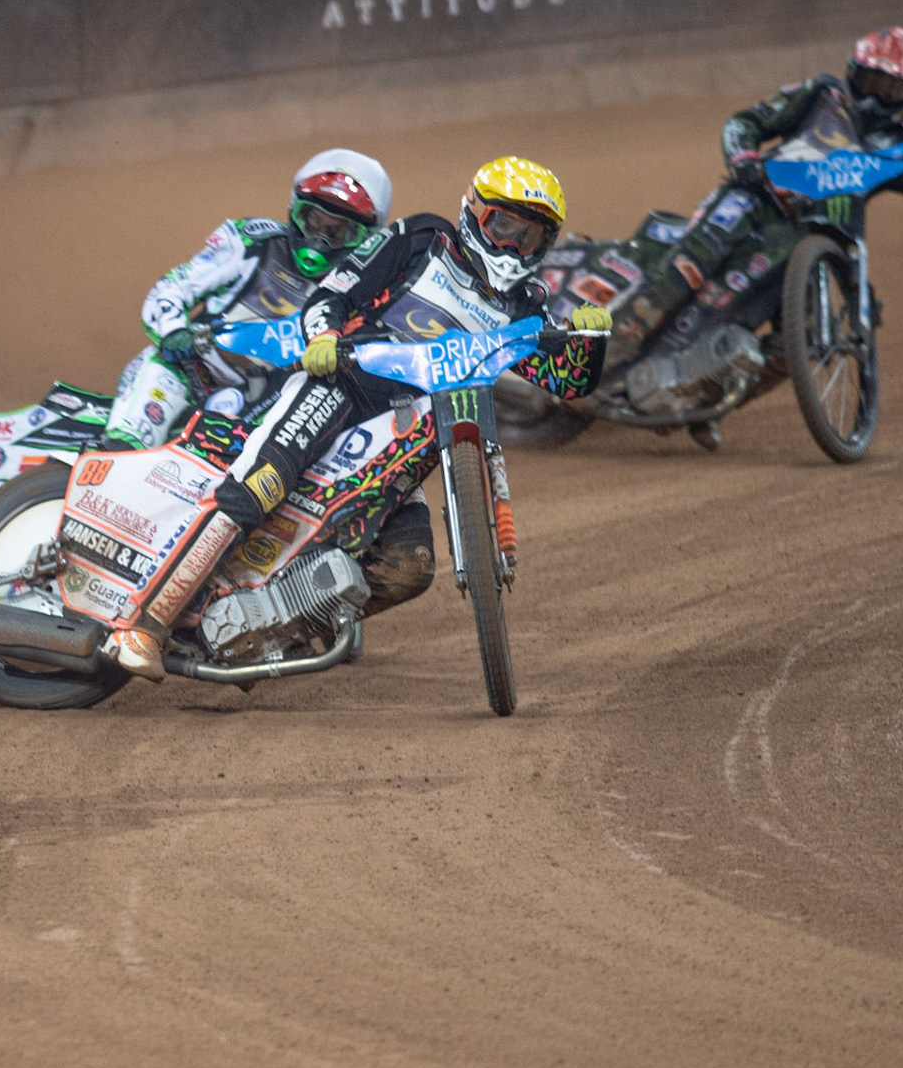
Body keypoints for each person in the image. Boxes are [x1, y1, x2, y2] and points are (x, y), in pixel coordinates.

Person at [105, 158, 611, 681]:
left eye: (529, 237)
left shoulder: (525, 305)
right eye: (503, 227)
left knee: (409, 566)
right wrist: (324, 336)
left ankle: (268, 628)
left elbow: (566, 382)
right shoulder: (423, 238)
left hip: (408, 434)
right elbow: (334, 291)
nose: (511, 246)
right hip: (343, 385)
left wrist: (589, 342)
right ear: (474, 213)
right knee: (257, 487)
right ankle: (143, 622)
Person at [617, 25, 903, 437]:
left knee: (794, 348)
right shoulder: (823, 95)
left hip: (809, 245)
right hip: (756, 201)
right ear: (852, 73)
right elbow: (745, 122)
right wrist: (744, 159)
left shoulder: (900, 144)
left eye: (891, 88)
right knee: (693, 262)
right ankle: (610, 341)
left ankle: (702, 400)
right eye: (871, 80)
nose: (877, 95)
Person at [103, 150, 394, 450]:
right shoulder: (253, 242)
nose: (318, 240)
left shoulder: (361, 291)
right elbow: (175, 287)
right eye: (313, 222)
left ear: (366, 238)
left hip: (270, 404)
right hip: (195, 372)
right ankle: (119, 453)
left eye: (338, 232)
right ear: (296, 211)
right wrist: (174, 332)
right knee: (157, 373)